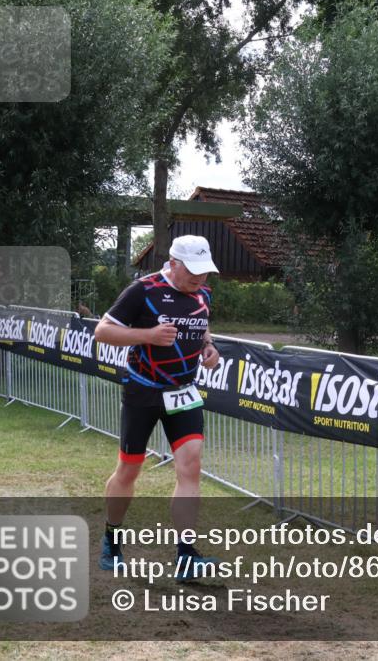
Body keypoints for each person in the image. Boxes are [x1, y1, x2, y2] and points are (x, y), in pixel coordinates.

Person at [94, 235, 221, 578]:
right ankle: (111, 540)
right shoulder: (143, 290)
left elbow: (200, 324)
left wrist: (209, 347)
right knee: (129, 470)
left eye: (204, 271)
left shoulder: (203, 292)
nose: (199, 278)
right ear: (173, 263)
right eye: (192, 271)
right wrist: (147, 336)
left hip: (183, 392)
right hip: (143, 392)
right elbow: (102, 332)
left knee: (190, 465)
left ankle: (186, 556)